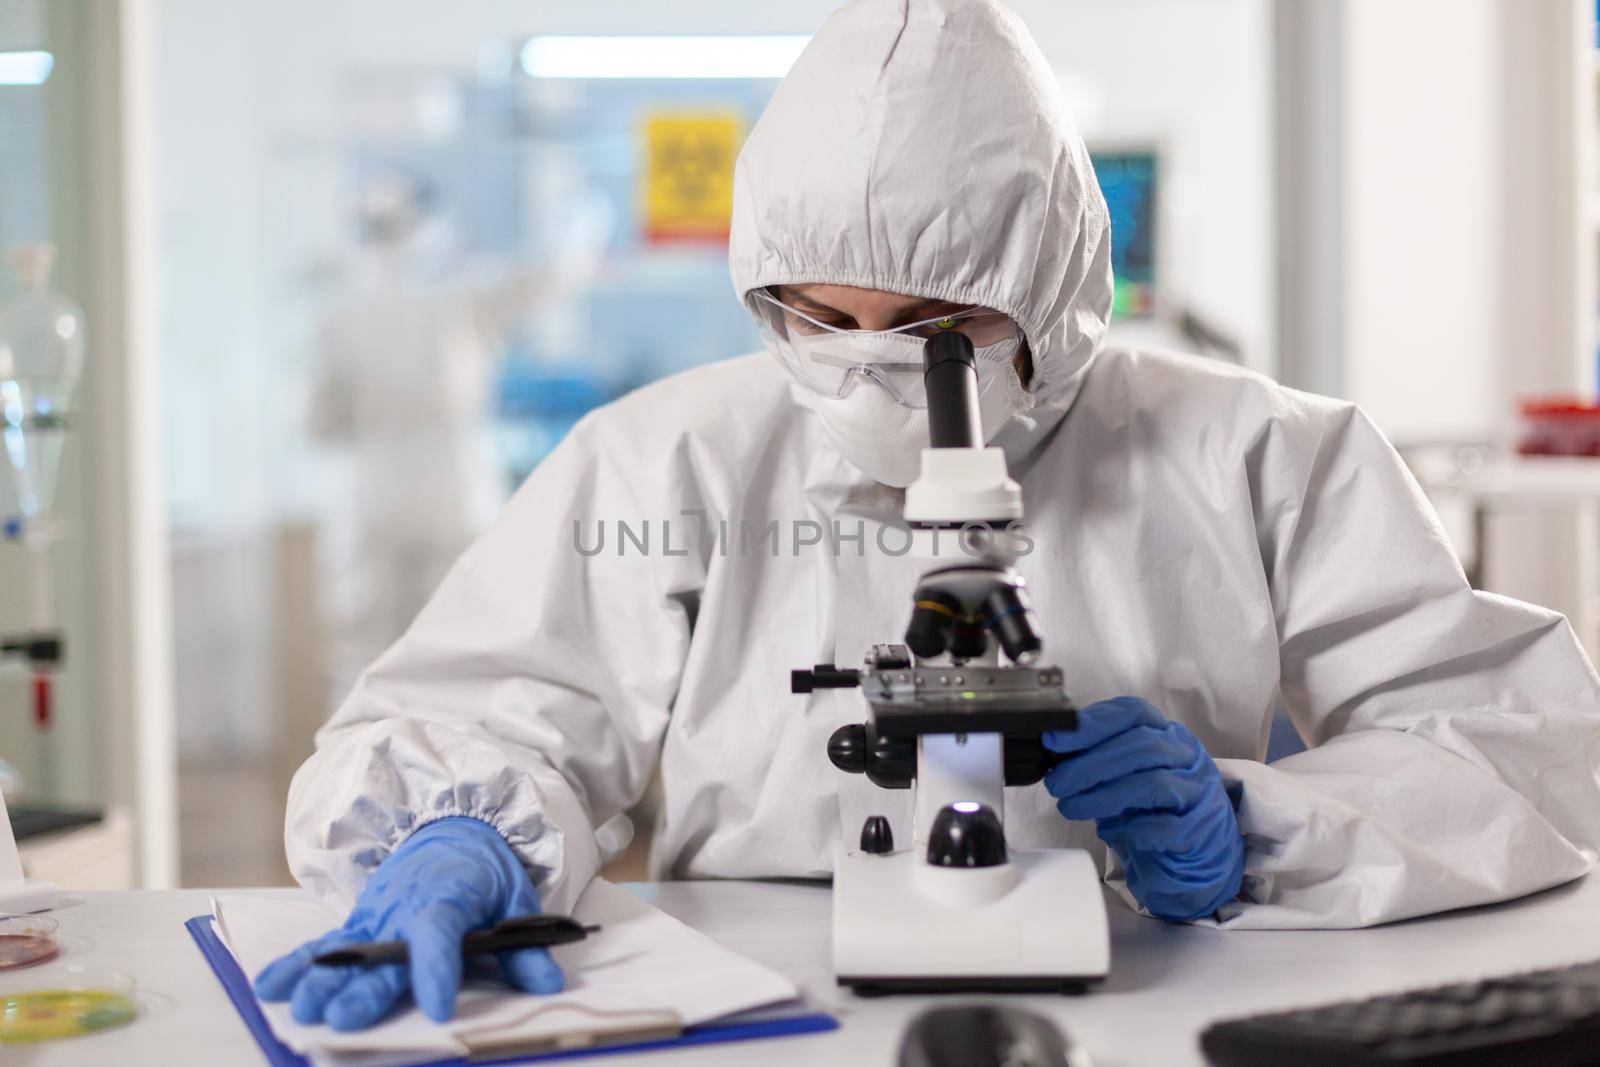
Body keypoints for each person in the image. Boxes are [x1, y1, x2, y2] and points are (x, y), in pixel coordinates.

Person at [257, 0, 1600, 1031]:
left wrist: (1249, 831)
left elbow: (1521, 752)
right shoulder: (671, 458)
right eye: (820, 320)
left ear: (1055, 285)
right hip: (763, 1008)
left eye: (937, 329)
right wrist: (461, 827)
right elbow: (483, 709)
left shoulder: (1266, 455)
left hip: (1170, 997)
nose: (873, 372)